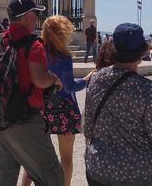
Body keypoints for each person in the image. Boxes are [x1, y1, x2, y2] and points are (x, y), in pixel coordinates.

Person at [83, 23, 152, 186]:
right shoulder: (145, 88)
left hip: (99, 169)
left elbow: (88, 128)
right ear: (142, 51)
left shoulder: (96, 79)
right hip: (138, 173)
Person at [0, 0, 64, 186]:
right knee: (51, 176)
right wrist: (54, 79)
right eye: (36, 13)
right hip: (24, 118)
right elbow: (40, 80)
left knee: (2, 177)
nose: (37, 18)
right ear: (27, 16)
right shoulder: (33, 43)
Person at [22, 15, 91, 186]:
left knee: (33, 157)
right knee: (66, 157)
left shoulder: (36, 51)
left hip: (40, 107)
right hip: (64, 109)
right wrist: (86, 80)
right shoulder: (63, 56)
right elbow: (69, 87)